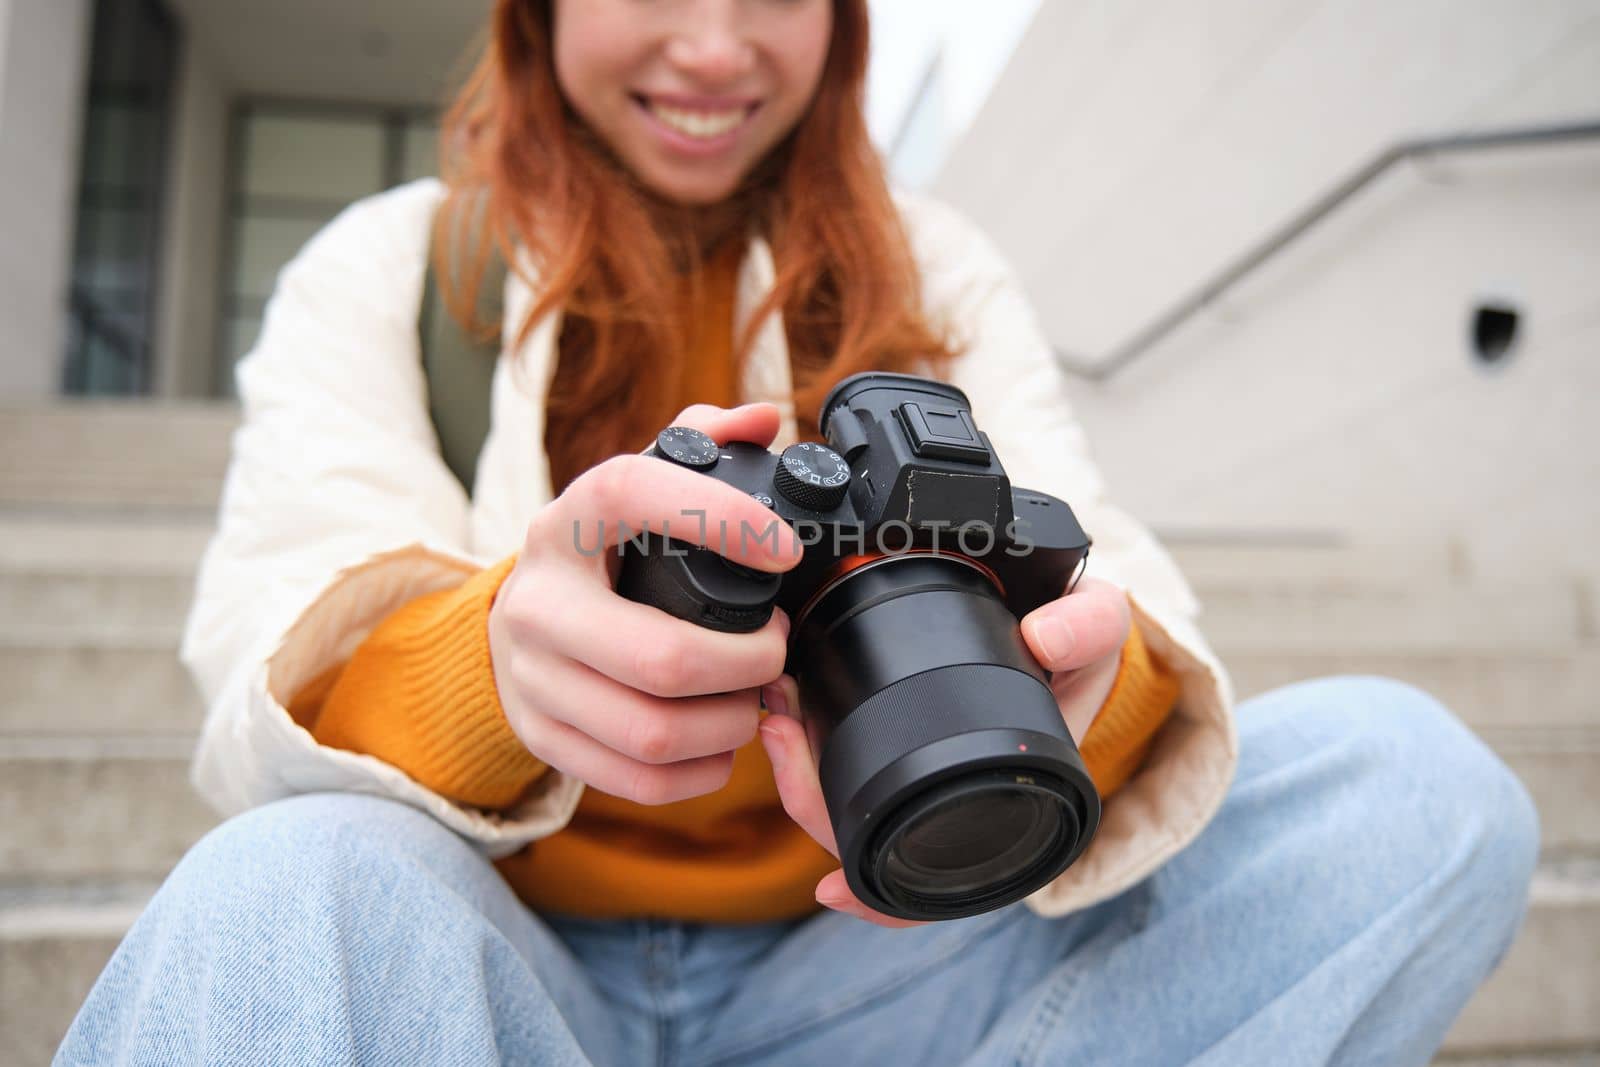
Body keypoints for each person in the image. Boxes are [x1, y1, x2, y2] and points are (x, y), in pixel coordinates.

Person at [58, 1, 1538, 1064]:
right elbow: (269, 655)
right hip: (495, 965)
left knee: (1421, 791)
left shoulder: (935, 269)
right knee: (282, 893)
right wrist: (500, 667)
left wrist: (1084, 686)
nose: (714, 45)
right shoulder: (391, 269)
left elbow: (1119, 579)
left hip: (892, 947)